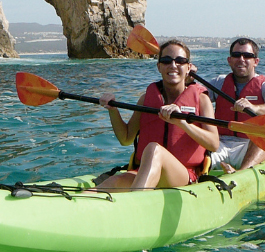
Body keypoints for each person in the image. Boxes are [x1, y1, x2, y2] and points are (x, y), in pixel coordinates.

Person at [94, 40, 220, 191]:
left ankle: (136, 202)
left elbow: (213, 144)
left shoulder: (201, 99)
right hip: (145, 170)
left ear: (188, 68)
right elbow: (126, 138)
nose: (173, 65)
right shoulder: (146, 99)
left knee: (155, 149)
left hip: (184, 175)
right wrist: (112, 110)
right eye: (166, 61)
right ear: (159, 66)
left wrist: (182, 123)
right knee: (113, 182)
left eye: (180, 61)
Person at [208, 37, 265, 172]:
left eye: (247, 56)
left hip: (249, 145)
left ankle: (241, 173)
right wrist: (189, 83)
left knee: (263, 136)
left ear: (256, 61)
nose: (241, 59)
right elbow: (194, 100)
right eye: (236, 55)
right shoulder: (218, 83)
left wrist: (254, 107)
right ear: (229, 60)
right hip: (220, 144)